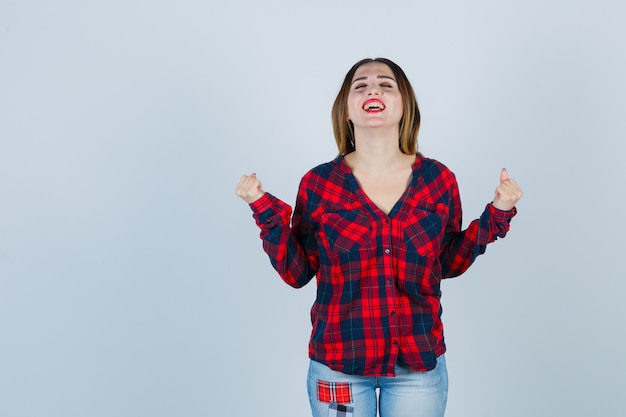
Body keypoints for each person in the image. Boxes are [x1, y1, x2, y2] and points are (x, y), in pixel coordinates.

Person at [235, 58, 523, 417]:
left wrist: (497, 213)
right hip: (338, 366)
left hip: (417, 367)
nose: (373, 89)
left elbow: (447, 263)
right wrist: (261, 207)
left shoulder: (438, 180)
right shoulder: (319, 184)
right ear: (347, 109)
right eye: (361, 85)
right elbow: (297, 273)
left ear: (406, 106)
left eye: (386, 84)